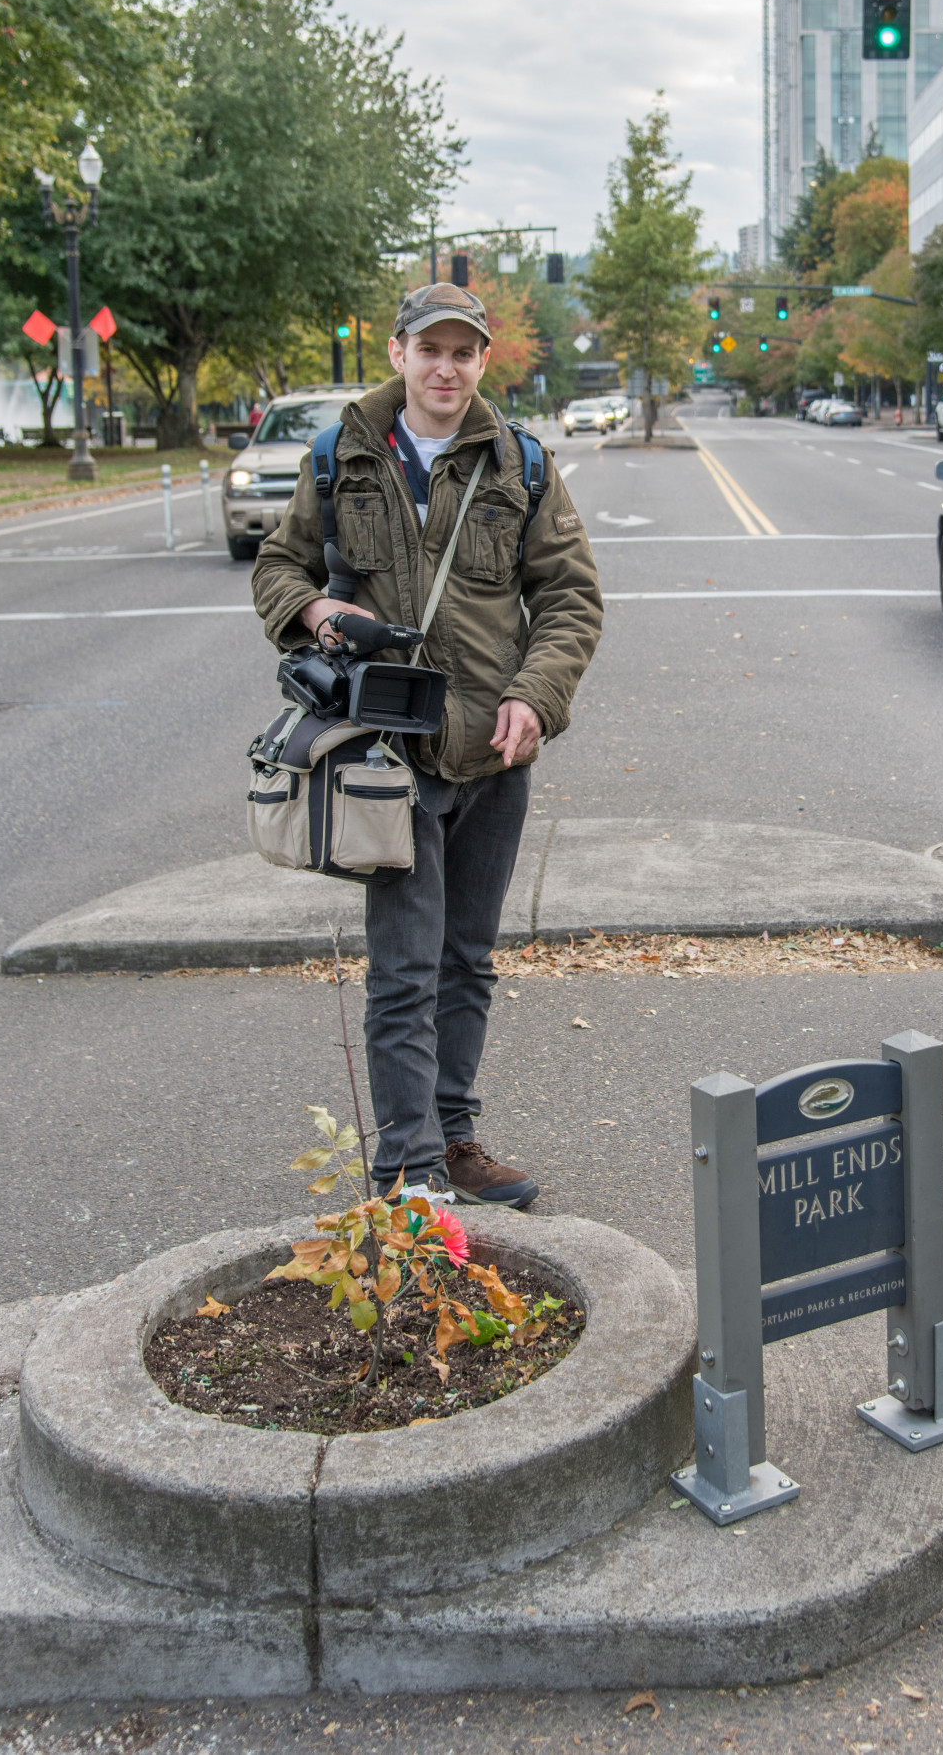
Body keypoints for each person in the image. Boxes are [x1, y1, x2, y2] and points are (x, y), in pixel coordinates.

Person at [253, 281, 603, 1208]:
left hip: (494, 751)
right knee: (406, 967)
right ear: (399, 353)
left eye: (464, 352)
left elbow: (569, 598)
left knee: (467, 961)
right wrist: (318, 608)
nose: (446, 367)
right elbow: (279, 567)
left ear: (483, 361)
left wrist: (537, 696)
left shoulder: (520, 462)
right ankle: (406, 1172)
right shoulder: (341, 457)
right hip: (385, 754)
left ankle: (452, 1141)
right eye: (430, 349)